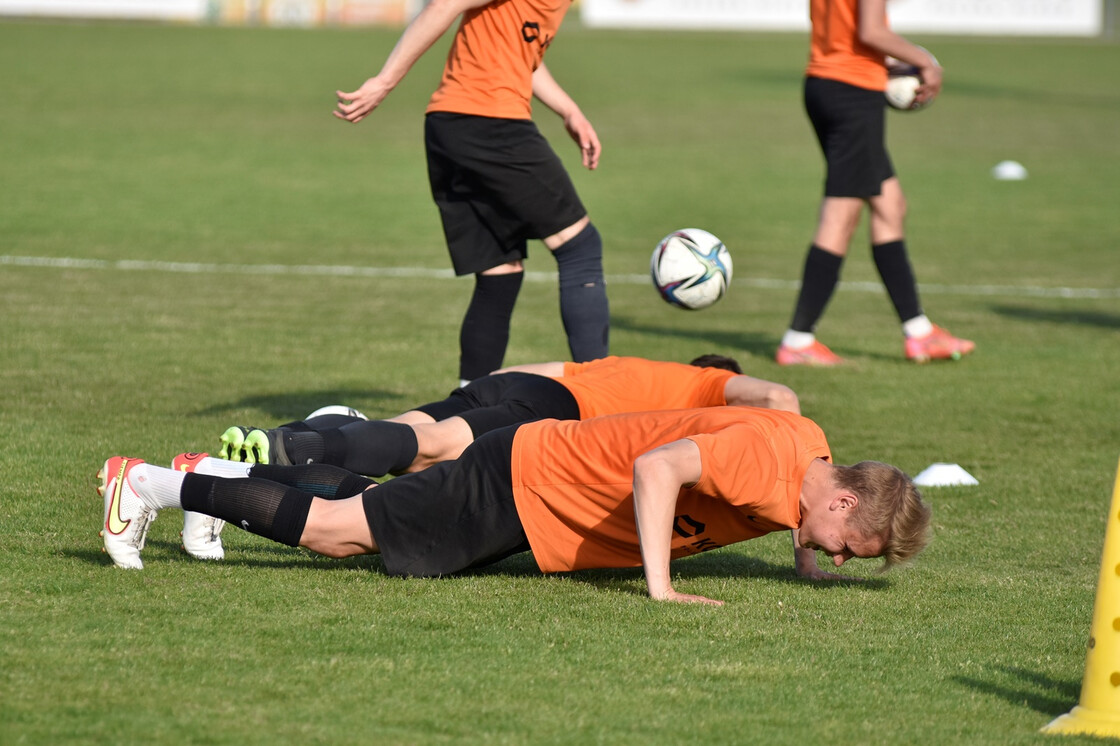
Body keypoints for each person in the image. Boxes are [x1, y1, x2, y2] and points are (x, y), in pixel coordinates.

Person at [98, 407, 933, 605]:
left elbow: (791, 500)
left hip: (532, 482)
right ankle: (143, 484)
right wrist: (660, 587)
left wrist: (801, 556)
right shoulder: (767, 463)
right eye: (843, 547)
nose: (830, 556)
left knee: (367, 511)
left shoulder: (808, 456)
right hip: (525, 486)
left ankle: (203, 471)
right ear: (846, 498)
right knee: (337, 535)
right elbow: (656, 469)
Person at [334, 0, 609, 385]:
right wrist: (385, 81)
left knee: (500, 274)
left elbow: (520, 51)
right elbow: (444, 5)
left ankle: (465, 413)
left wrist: (569, 110)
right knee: (579, 246)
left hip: (450, 129)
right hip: (491, 124)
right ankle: (603, 393)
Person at [774, 0, 975, 366]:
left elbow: (843, 31)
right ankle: (798, 341)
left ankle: (919, 333)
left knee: (890, 204)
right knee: (841, 215)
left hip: (824, 84)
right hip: (851, 93)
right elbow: (871, 31)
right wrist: (926, 63)